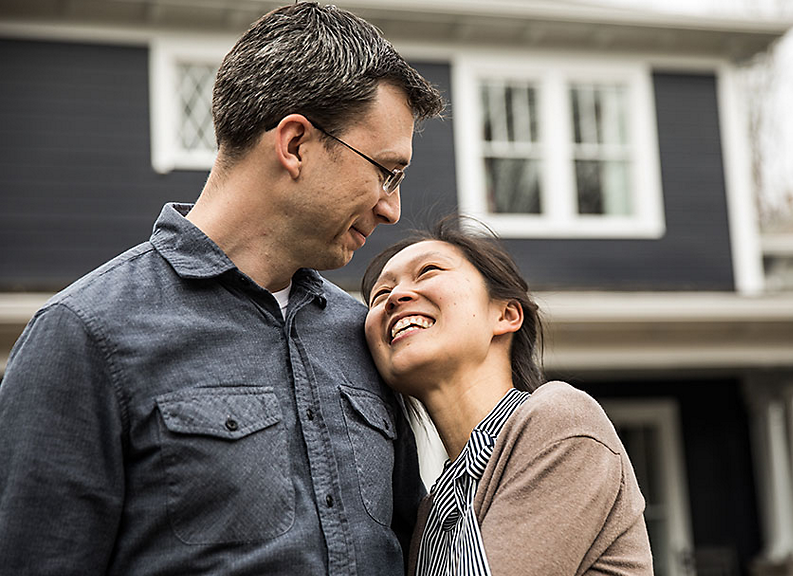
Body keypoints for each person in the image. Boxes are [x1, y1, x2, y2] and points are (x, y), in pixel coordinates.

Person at [0, 3, 444, 574]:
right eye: (386, 170)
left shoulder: (363, 332)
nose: (391, 207)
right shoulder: (84, 336)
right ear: (296, 145)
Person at [361, 218, 654, 576]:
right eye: (379, 295)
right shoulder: (431, 509)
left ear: (505, 314)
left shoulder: (561, 423)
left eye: (428, 272)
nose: (395, 297)